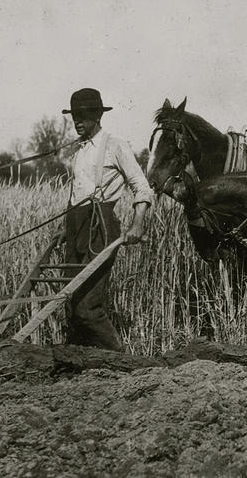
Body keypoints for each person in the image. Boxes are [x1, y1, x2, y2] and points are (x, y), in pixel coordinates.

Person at [60, 88, 153, 349]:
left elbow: (141, 186)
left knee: (88, 306)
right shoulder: (78, 151)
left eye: (83, 115)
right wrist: (64, 228)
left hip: (100, 226)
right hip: (75, 225)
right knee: (69, 300)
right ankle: (79, 362)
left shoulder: (115, 145)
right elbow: (77, 192)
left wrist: (137, 224)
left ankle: (118, 358)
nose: (77, 121)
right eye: (74, 116)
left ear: (98, 116)